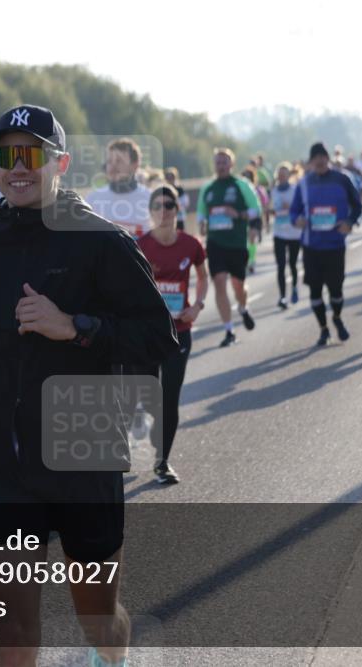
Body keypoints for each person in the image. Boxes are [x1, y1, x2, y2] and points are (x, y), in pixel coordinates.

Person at [0, 103, 176, 667]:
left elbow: (158, 338)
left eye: (31, 154)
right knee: (13, 631)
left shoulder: (102, 241)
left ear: (60, 163)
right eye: (5, 156)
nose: (17, 167)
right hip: (3, 459)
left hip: (83, 449)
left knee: (98, 622)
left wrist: (75, 327)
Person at [137, 185, 207, 484]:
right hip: (147, 333)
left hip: (179, 331)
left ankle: (162, 462)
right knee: (148, 396)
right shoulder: (140, 245)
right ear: (151, 212)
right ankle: (151, 420)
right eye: (158, 206)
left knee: (169, 398)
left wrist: (197, 306)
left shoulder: (191, 244)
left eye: (169, 206)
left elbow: (203, 276)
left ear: (178, 210)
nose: (163, 211)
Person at [290, 143, 362, 346]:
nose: (320, 161)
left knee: (336, 290)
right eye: (315, 158)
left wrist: (349, 222)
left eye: (323, 157)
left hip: (335, 245)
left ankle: (337, 317)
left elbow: (357, 205)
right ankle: (323, 329)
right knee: (315, 291)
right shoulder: (304, 184)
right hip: (311, 246)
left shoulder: (342, 180)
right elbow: (294, 211)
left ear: (328, 158)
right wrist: (297, 220)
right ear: (311, 161)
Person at [196, 148, 259, 347]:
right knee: (219, 282)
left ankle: (243, 307)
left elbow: (256, 210)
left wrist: (238, 214)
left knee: (238, 285)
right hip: (215, 243)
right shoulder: (208, 188)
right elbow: (201, 213)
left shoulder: (241, 185)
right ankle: (229, 329)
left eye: (224, 162)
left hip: (237, 243)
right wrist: (202, 224)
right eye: (218, 162)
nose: (221, 166)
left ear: (231, 164)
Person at [85, 138, 153, 239]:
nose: (113, 166)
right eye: (109, 161)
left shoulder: (151, 200)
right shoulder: (92, 200)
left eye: (119, 161)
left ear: (135, 165)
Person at [270, 162, 302, 309]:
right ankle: (282, 296)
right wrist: (272, 210)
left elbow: (301, 207)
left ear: (289, 175)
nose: (281, 177)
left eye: (284, 175)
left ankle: (294, 287)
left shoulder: (295, 190)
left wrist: (290, 208)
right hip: (279, 232)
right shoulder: (273, 191)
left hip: (294, 232)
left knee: (293, 264)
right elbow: (270, 208)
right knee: (281, 266)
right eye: (279, 175)